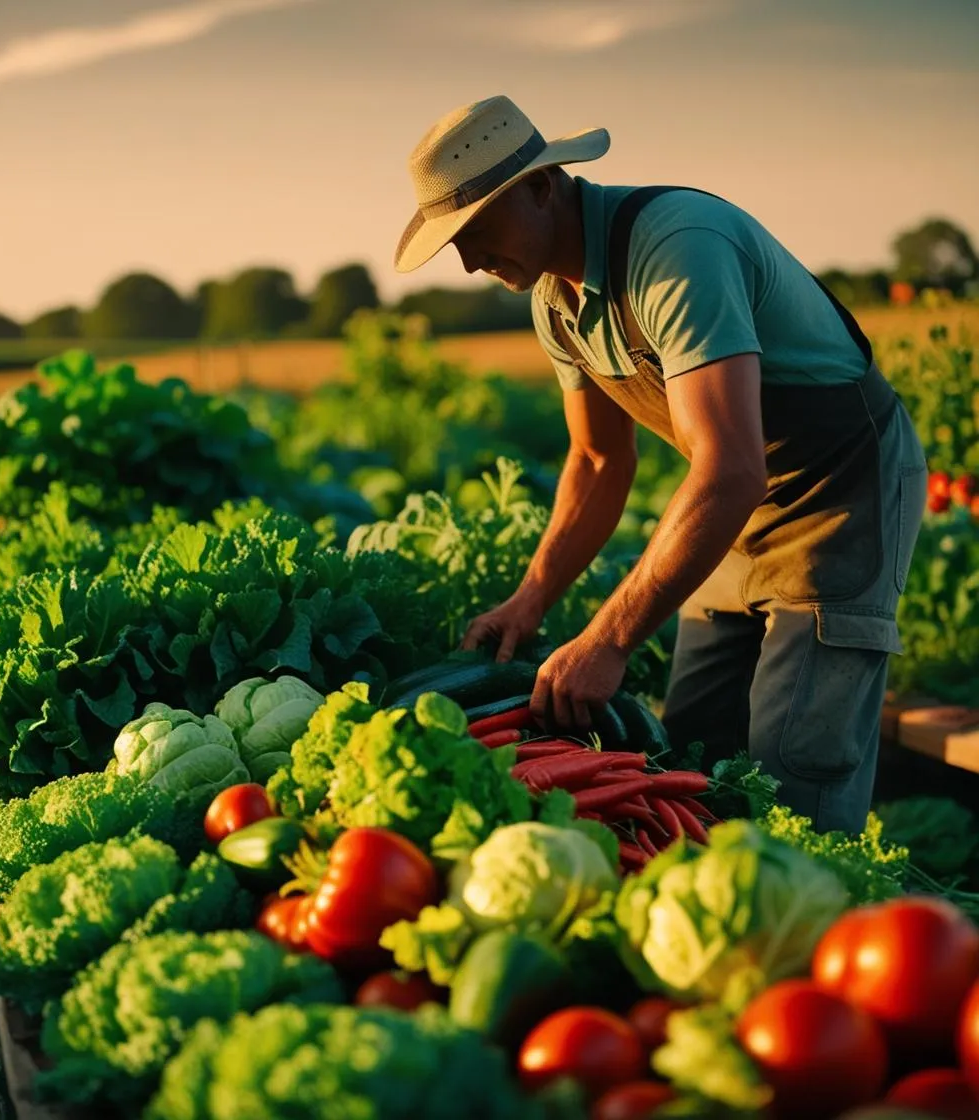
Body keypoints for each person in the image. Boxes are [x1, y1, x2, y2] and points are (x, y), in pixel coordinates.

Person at [392, 94, 927, 834]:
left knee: (796, 763)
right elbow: (597, 458)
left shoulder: (678, 250)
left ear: (544, 187)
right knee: (696, 749)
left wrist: (608, 640)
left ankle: (811, 920)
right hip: (731, 505)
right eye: (455, 242)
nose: (469, 260)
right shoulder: (554, 299)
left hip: (837, 494)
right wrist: (532, 597)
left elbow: (730, 466)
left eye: (478, 230)